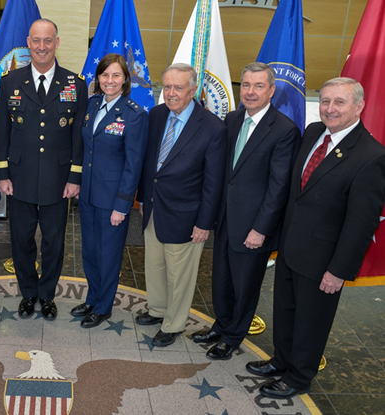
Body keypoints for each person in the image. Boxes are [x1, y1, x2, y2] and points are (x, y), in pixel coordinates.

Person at [246, 78, 385, 399]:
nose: (330, 109)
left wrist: (339, 270)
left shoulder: (371, 156)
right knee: (284, 311)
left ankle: (299, 376)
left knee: (312, 321)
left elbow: (361, 224)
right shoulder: (311, 133)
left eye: (339, 102)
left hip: (324, 260)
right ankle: (281, 361)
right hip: (291, 248)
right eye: (325, 101)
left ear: (359, 107)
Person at [191, 63, 300, 360]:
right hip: (226, 218)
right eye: (247, 85)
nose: (250, 92)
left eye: (259, 86)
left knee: (245, 285)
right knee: (221, 279)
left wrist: (261, 229)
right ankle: (221, 324)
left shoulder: (284, 130)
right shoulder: (233, 118)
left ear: (272, 90)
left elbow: (278, 188)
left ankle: (234, 336)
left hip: (253, 225)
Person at [0, 18, 87, 320]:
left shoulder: (75, 84)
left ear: (57, 43)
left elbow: (77, 137)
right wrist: (2, 173)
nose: (42, 46)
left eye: (48, 40)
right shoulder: (10, 82)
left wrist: (75, 176)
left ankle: (47, 295)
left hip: (57, 180)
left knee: (53, 242)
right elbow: (3, 133)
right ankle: (28, 293)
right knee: (20, 240)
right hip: (19, 178)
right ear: (28, 43)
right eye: (36, 40)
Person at [136, 63, 227, 347]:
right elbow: (150, 162)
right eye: (167, 87)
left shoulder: (212, 127)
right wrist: (143, 198)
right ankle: (158, 309)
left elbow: (214, 182)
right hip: (153, 208)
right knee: (155, 266)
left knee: (180, 276)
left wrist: (204, 223)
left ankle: (174, 324)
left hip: (187, 217)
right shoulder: (156, 115)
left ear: (193, 90)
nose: (171, 93)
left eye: (178, 88)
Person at [72, 53, 148, 328]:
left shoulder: (134, 115)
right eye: (105, 75)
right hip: (89, 195)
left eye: (116, 75)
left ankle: (103, 307)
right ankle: (93, 298)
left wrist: (122, 205)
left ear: (126, 79)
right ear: (99, 78)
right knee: (90, 252)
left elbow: (133, 165)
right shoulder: (92, 105)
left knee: (108, 254)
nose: (110, 80)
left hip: (113, 200)